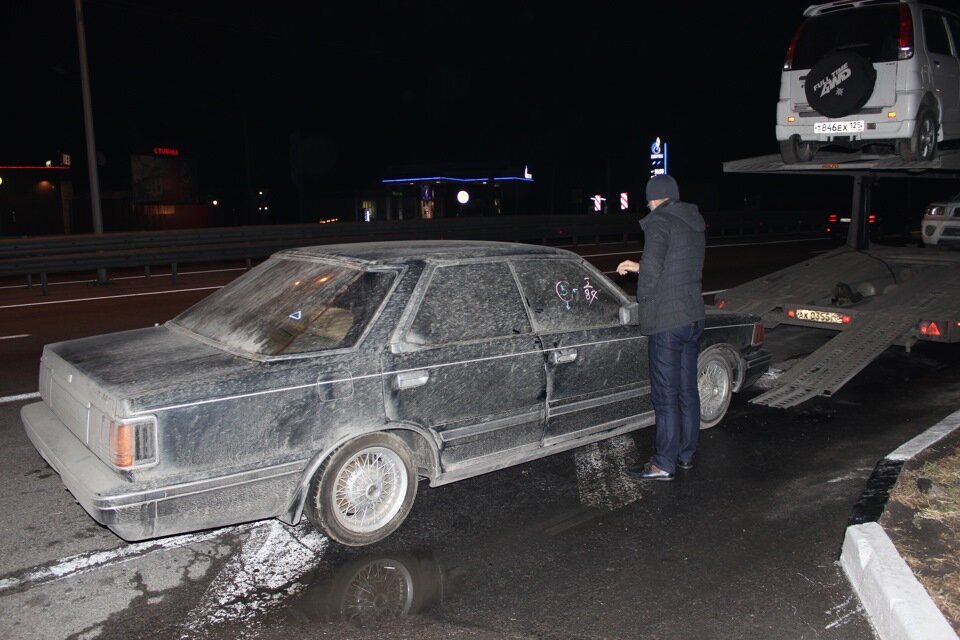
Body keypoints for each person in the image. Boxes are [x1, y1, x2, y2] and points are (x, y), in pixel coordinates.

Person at [617, 174, 706, 481]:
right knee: (686, 392)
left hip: (667, 322)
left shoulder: (659, 221)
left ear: (655, 199)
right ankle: (685, 454)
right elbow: (675, 266)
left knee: (665, 396)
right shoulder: (693, 222)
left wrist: (642, 300)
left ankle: (662, 463)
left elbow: (654, 271)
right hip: (692, 317)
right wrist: (637, 266)